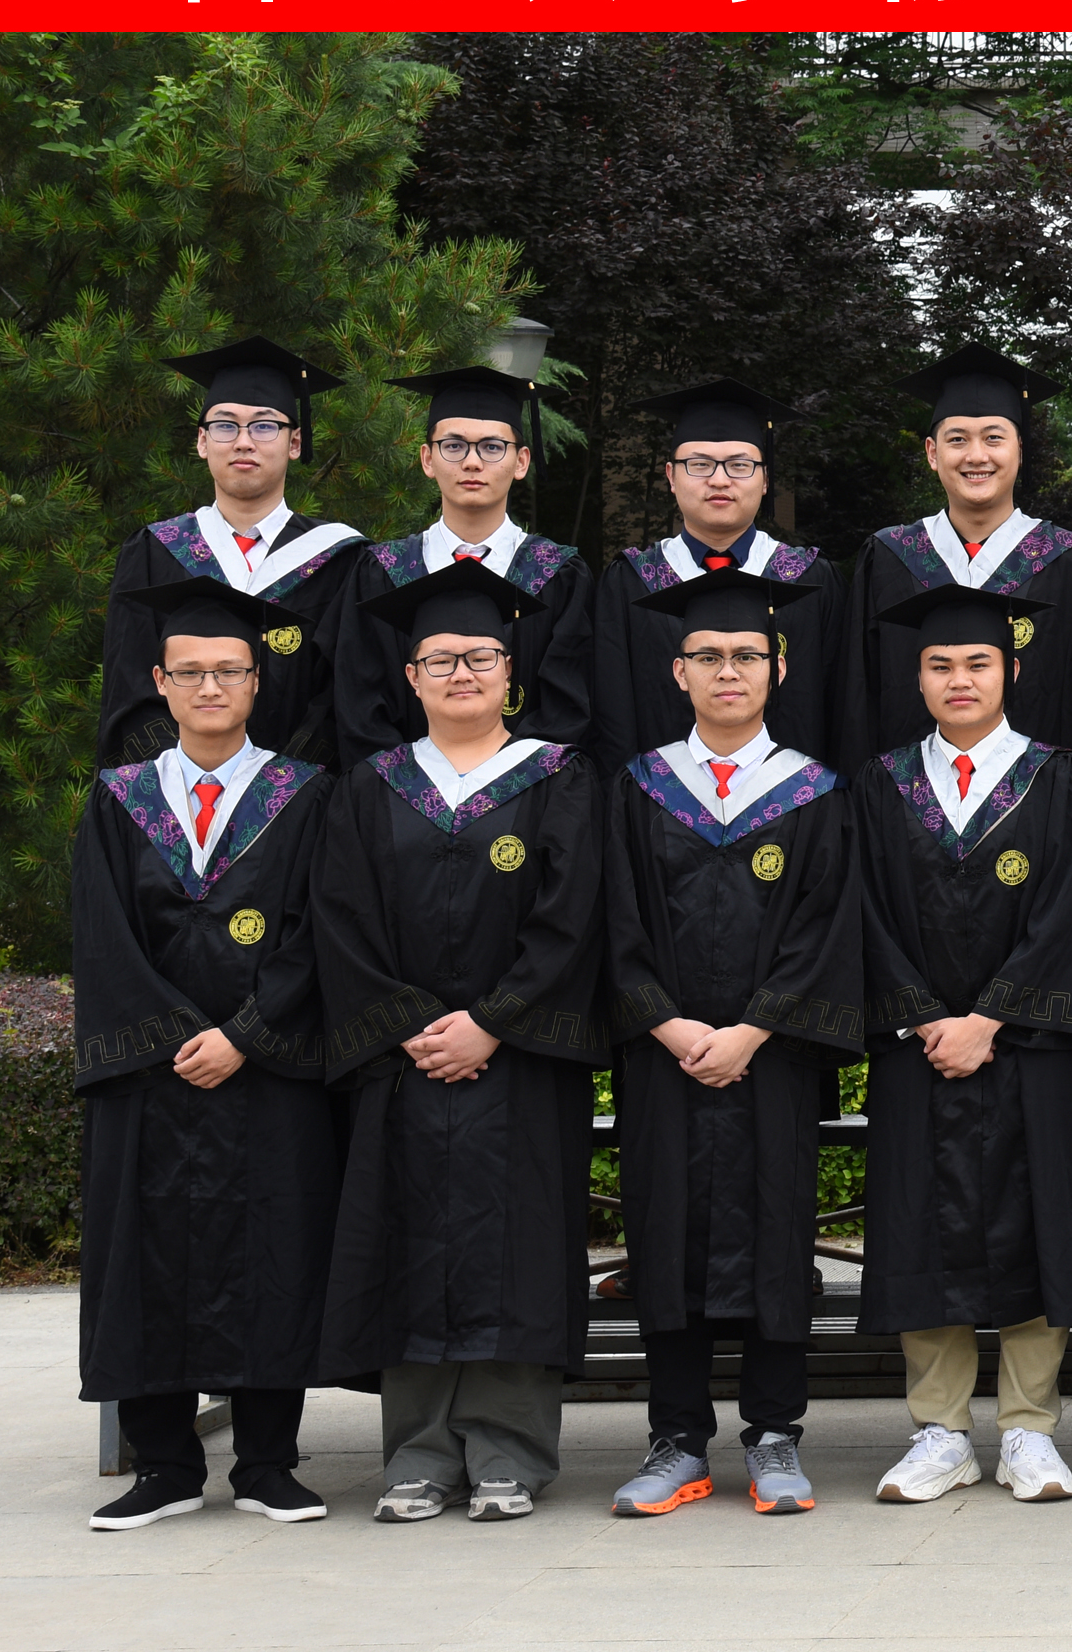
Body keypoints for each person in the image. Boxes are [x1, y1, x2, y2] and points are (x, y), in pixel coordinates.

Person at [313, 559, 607, 1523]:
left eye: (481, 656)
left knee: (516, 1246)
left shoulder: (559, 776)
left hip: (519, 1061)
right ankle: (419, 1454)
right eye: (440, 660)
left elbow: (572, 918)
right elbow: (341, 919)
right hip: (404, 1067)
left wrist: (492, 1021)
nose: (462, 673)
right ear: (410, 677)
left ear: (510, 671)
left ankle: (509, 1451)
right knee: (408, 1238)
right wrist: (411, 1026)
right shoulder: (371, 786)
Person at [599, 569, 868, 1519]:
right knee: (663, 1234)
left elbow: (829, 928)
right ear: (677, 671)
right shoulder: (636, 788)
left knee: (776, 1234)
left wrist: (753, 1029)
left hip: (773, 1059)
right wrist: (669, 1024)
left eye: (746, 655)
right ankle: (676, 1440)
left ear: (777, 668)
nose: (728, 671)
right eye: (708, 656)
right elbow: (613, 920)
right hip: (662, 1058)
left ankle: (774, 1434)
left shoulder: (815, 793)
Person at [72, 578, 338, 1530]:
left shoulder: (305, 795)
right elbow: (101, 935)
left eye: (229, 670)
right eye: (190, 673)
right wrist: (178, 1037)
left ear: (257, 681)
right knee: (144, 1256)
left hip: (267, 1071)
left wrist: (245, 1037)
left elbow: (320, 930)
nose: (211, 687)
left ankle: (267, 1462)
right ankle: (165, 1466)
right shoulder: (119, 798)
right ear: (160, 683)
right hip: (151, 1076)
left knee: (274, 1249)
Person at [851, 582, 1072, 1507]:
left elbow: (1071, 911)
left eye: (977, 663)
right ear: (918, 679)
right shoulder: (879, 785)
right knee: (919, 1223)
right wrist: (928, 1019)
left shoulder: (1062, 778)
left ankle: (1030, 1429)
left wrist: (990, 1018)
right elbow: (863, 913)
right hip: (917, 1049)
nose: (959, 679)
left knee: (1040, 1220)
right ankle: (941, 1431)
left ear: (1010, 671)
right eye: (940, 665)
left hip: (1032, 1050)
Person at [855, 344, 1072, 775]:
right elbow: (858, 699)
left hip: (1046, 801)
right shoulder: (888, 558)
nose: (977, 456)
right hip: (908, 805)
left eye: (994, 438)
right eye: (957, 439)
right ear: (932, 453)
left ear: (1020, 449)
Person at [99, 339, 364, 767]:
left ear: (295, 442)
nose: (243, 442)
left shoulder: (343, 560)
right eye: (226, 426)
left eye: (264, 426)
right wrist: (182, 782)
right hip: (174, 795)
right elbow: (129, 688)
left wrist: (282, 789)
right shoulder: (153, 552)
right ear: (202, 441)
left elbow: (345, 697)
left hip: (300, 796)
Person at [336, 363, 597, 761]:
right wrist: (411, 785)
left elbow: (567, 709)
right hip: (397, 791)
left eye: (492, 447)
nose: (472, 463)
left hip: (530, 790)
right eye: (454, 446)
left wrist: (504, 782)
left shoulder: (558, 575)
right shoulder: (383, 571)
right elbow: (359, 705)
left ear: (521, 461)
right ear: (427, 459)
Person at [588, 378, 853, 768]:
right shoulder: (630, 582)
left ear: (765, 479)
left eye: (739, 465)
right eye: (699, 465)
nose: (719, 480)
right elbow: (612, 717)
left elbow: (840, 708)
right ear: (671, 476)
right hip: (655, 802)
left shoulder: (812, 581)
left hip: (793, 801)